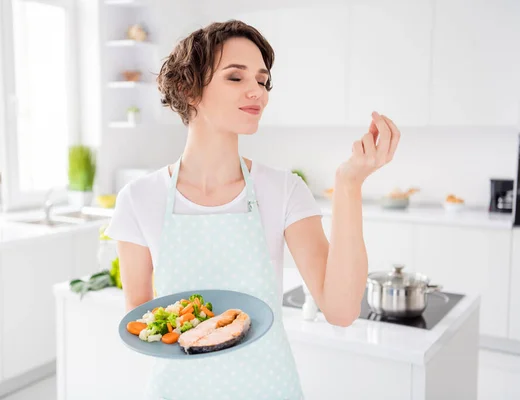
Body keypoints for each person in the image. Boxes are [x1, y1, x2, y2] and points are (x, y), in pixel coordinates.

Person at [105, 19, 400, 400]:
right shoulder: (138, 199)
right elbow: (142, 319)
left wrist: (349, 184)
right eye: (235, 78)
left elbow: (341, 310)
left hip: (268, 388)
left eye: (261, 81)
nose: (256, 92)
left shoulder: (284, 190)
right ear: (188, 89)